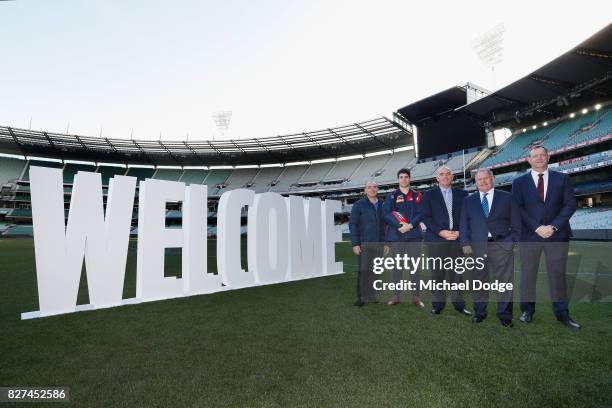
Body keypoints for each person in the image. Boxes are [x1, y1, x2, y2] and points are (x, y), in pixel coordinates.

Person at [512, 145, 580, 329]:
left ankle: (562, 314)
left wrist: (554, 226)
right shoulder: (519, 182)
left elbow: (570, 204)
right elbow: (518, 209)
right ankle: (527, 311)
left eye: (543, 155)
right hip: (530, 236)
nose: (539, 158)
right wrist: (537, 227)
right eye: (535, 156)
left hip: (557, 235)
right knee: (528, 276)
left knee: (558, 276)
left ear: (548, 157)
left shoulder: (563, 178)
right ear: (529, 159)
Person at [460, 169, 521, 327]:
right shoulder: (468, 201)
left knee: (504, 283)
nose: (482, 181)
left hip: (501, 246)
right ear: (476, 182)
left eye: (486, 178)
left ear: (492, 178)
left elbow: (517, 223)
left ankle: (505, 316)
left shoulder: (507, 197)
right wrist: (465, 244)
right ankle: (480, 312)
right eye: (479, 179)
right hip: (477, 248)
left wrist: (511, 242)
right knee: (478, 282)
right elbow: (464, 225)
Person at [420, 166, 471, 316]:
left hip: (456, 239)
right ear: (437, 178)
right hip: (436, 240)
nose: (445, 176)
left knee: (457, 274)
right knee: (437, 274)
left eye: (448, 173)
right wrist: (440, 232)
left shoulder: (463, 194)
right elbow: (425, 217)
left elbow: (467, 216)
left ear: (452, 176)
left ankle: (459, 305)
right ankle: (438, 305)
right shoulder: (428, 195)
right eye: (442, 174)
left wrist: (459, 232)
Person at [382, 168, 424, 308]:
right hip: (397, 236)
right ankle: (396, 295)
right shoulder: (392, 196)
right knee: (397, 268)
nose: (404, 179)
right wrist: (399, 224)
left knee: (414, 267)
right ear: (398, 179)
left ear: (410, 179)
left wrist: (410, 225)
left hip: (413, 236)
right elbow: (386, 214)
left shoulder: (417, 195)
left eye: (406, 177)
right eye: (401, 177)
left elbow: (420, 213)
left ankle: (416, 297)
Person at [349, 180, 385, 307]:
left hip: (379, 244)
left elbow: (384, 226)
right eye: (369, 187)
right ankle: (361, 297)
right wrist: (355, 243)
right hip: (364, 244)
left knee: (375, 271)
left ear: (378, 189)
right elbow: (353, 224)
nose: (372, 189)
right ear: (365, 190)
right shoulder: (359, 205)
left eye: (375, 187)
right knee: (364, 272)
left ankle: (372, 294)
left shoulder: (382, 205)